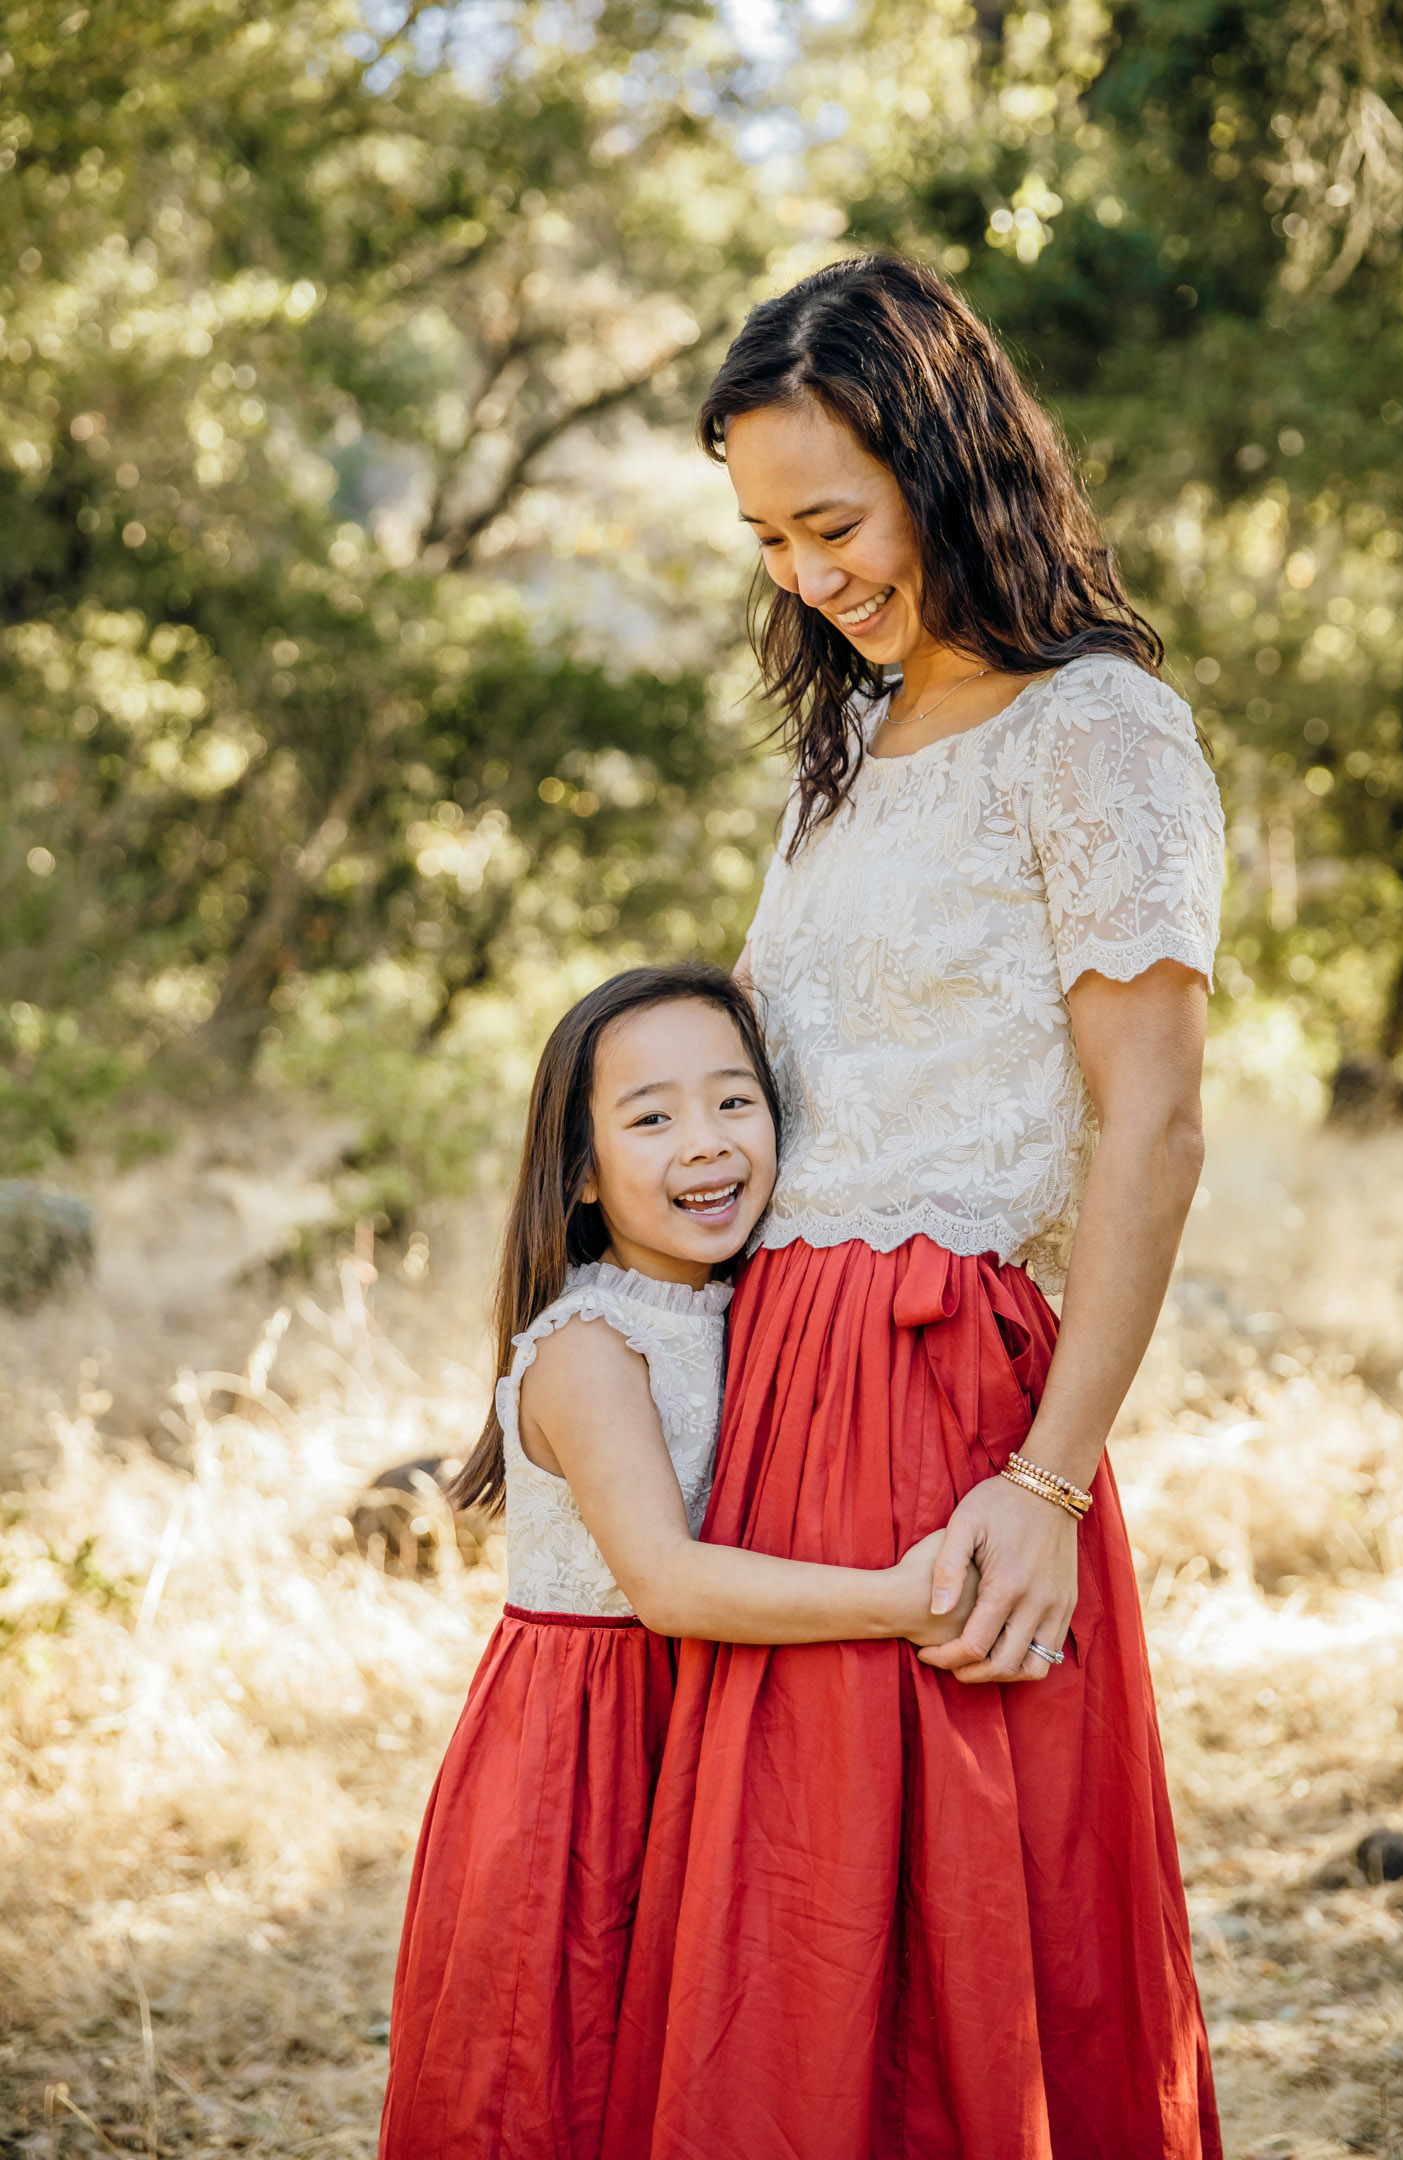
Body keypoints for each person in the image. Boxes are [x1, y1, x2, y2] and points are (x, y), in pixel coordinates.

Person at [601, 258, 1227, 2158]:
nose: (806, 573)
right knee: (782, 1967)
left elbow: (1155, 1131)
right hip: (777, 1390)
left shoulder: (1097, 733)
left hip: (948, 1403)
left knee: (966, 1958)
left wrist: (1043, 1484)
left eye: (835, 522)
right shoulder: (848, 751)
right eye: (767, 537)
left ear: (949, 465)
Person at [378, 964, 979, 2160]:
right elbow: (667, 1582)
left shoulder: (753, 1307)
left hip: (714, 1721)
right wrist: (901, 1601)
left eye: (734, 1103)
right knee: (567, 2071)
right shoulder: (588, 1348)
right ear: (584, 1173)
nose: (703, 1145)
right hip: (590, 1745)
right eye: (651, 1118)